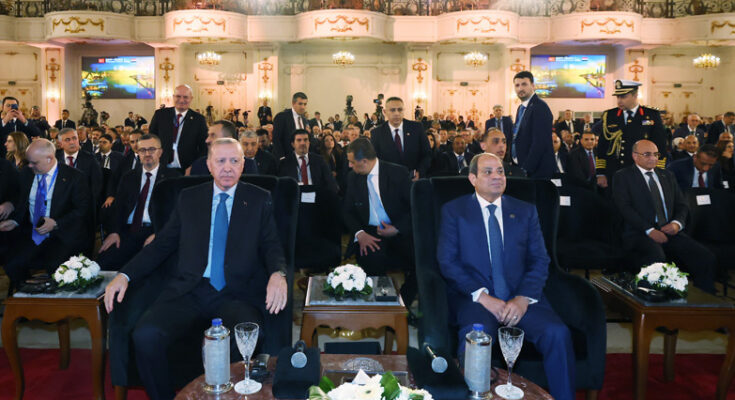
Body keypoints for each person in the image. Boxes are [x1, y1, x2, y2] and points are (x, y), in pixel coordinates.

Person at [103, 138, 288, 400]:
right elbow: (162, 245)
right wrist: (125, 274)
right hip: (189, 289)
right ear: (209, 165)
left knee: (244, 336)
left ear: (243, 165)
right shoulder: (189, 198)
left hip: (236, 292)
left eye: (234, 161)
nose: (227, 167)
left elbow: (272, 245)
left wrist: (278, 273)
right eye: (220, 161)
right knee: (146, 335)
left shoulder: (259, 198)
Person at [437, 152, 575, 400]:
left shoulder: (525, 210)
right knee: (474, 339)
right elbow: (448, 262)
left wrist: (523, 298)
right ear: (473, 179)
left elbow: (540, 259)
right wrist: (483, 297)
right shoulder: (454, 211)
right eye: (488, 172)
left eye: (500, 171)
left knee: (557, 333)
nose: (497, 176)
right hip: (476, 299)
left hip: (520, 297)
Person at [612, 140, 716, 293]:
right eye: (647, 154)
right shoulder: (623, 176)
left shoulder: (667, 175)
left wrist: (677, 223)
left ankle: (704, 299)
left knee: (704, 256)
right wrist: (649, 230)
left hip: (669, 230)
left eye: (656, 154)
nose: (653, 158)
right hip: (639, 232)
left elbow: (682, 205)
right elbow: (625, 208)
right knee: (656, 258)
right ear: (635, 156)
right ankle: (655, 300)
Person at [0, 139, 90, 288]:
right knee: (12, 263)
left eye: (34, 162)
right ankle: (28, 292)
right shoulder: (27, 174)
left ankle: (51, 297)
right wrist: (14, 221)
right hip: (32, 234)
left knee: (55, 266)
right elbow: (21, 202)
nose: (30, 165)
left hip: (61, 235)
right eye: (28, 162)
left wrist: (56, 223)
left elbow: (83, 210)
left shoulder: (74, 177)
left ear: (49, 158)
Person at [342, 138, 416, 304]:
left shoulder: (398, 173)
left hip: (399, 229)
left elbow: (415, 208)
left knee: (423, 261)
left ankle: (402, 303)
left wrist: (397, 228)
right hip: (370, 232)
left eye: (352, 162)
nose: (350, 166)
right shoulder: (353, 178)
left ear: (364, 161)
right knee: (372, 259)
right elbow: (347, 211)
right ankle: (385, 303)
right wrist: (360, 234)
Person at [97, 134, 180, 270]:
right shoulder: (128, 177)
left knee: (148, 268)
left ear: (160, 152)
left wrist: (159, 234)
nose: (147, 154)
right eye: (142, 150)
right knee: (103, 263)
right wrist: (114, 232)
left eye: (152, 149)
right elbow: (118, 208)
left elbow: (176, 213)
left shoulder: (173, 178)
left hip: (155, 231)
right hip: (127, 231)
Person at [595, 80, 668, 189]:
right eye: (618, 97)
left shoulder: (651, 115)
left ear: (635, 95)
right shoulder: (610, 115)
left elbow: (660, 145)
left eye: (623, 97)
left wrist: (657, 171)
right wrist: (600, 173)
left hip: (641, 171)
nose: (619, 101)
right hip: (614, 171)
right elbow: (602, 146)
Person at [149, 84, 208, 171]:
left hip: (187, 169)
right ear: (173, 97)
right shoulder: (160, 115)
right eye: (178, 96)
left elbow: (204, 148)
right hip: (161, 167)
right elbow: (151, 139)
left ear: (191, 99)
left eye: (185, 97)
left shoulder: (199, 120)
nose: (181, 100)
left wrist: (194, 167)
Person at [371, 96, 432, 180]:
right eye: (392, 110)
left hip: (414, 181)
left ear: (404, 111)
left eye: (400, 110)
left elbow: (427, 154)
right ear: (385, 112)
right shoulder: (377, 133)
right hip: (389, 181)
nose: (396, 113)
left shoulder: (417, 128)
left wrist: (420, 172)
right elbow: (375, 160)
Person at [508, 71, 555, 179]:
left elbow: (540, 142)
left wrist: (526, 169)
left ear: (533, 86)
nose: (520, 88)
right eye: (517, 85)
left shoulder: (540, 107)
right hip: (522, 167)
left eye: (524, 84)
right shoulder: (521, 108)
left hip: (536, 171)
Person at [56, 128, 103, 201]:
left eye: (74, 138)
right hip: (60, 201)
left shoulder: (90, 159)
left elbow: (96, 184)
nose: (72, 142)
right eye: (67, 140)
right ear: (60, 144)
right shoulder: (55, 159)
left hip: (83, 201)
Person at [272, 92, 309, 159]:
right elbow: (276, 139)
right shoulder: (281, 117)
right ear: (293, 103)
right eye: (300, 104)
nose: (303, 107)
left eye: (305, 104)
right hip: (285, 157)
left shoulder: (304, 120)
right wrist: (282, 157)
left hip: (300, 158)